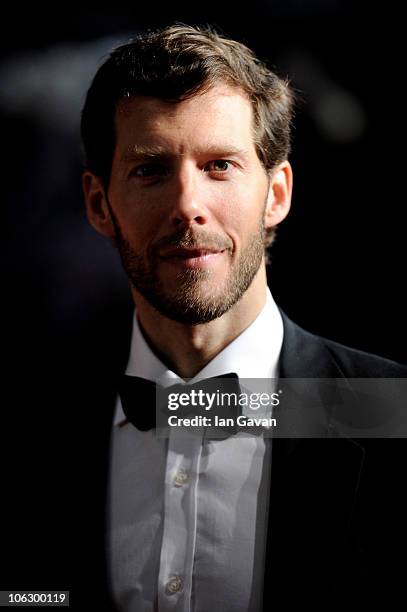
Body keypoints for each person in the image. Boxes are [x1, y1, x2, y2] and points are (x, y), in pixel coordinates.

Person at [79, 24, 407, 611]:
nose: (187, 205)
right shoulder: (21, 421)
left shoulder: (393, 411)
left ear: (276, 193)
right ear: (100, 204)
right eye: (150, 170)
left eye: (220, 165)